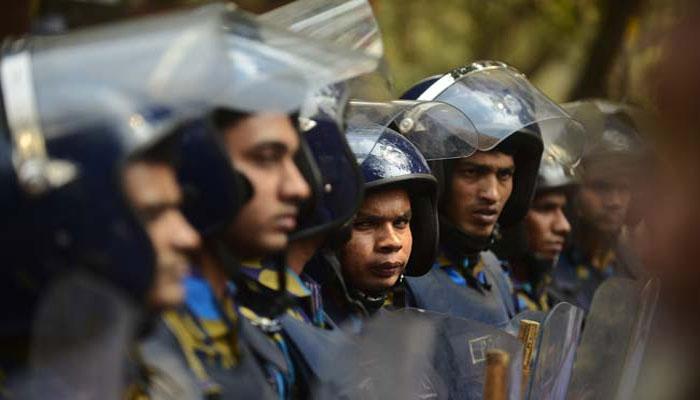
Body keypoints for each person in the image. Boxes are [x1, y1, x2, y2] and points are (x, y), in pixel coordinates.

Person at [398, 61, 572, 328]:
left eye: (504, 175)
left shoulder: (492, 270)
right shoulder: (398, 276)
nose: (491, 194)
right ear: (434, 178)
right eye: (472, 173)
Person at [550, 99, 646, 311]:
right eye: (601, 187)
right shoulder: (547, 261)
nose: (615, 202)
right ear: (572, 188)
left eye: (624, 188)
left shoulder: (634, 268)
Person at [493, 121, 585, 312]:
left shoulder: (548, 291)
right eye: (546, 208)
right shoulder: (491, 288)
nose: (563, 226)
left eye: (562, 210)